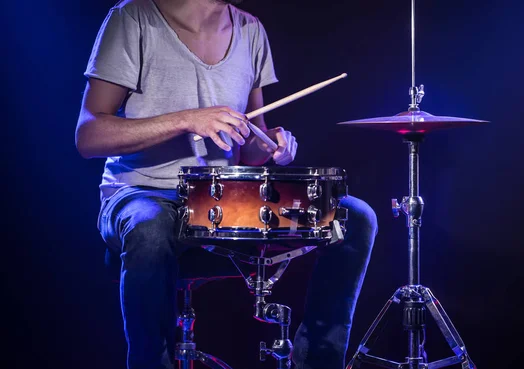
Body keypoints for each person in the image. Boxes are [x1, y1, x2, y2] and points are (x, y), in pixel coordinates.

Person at [75, 0, 378, 368]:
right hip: (143, 191)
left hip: (224, 200)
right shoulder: (133, 16)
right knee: (149, 227)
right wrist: (188, 119)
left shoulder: (251, 30)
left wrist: (271, 144)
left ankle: (317, 361)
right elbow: (89, 136)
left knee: (353, 218)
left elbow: (250, 145)